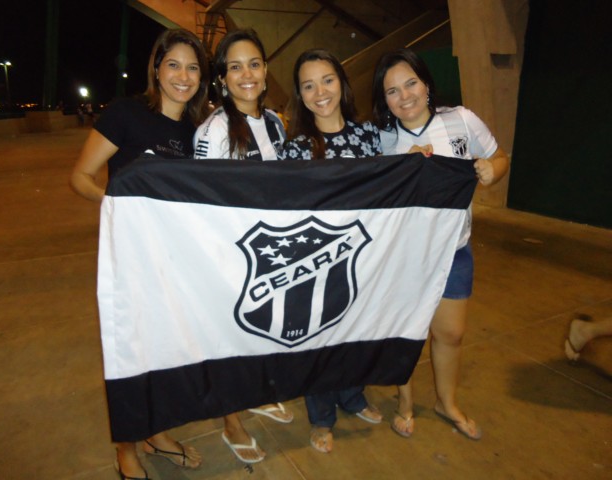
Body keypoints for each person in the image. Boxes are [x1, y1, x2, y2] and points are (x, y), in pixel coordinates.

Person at [69, 28, 209, 479]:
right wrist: (116, 207)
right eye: (173, 65)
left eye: (192, 67)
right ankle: (126, 446)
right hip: (129, 256)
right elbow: (82, 176)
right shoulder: (126, 113)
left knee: (165, 350)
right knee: (130, 352)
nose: (183, 76)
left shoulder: (196, 130)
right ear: (156, 68)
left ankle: (158, 432)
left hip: (174, 260)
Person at [371, 48, 510, 441]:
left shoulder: (461, 121)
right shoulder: (383, 139)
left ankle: (446, 402)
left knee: (450, 334)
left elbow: (500, 158)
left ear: (427, 84)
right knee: (407, 332)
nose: (405, 96)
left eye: (411, 83)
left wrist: (490, 171)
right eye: (392, 91)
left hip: (455, 252)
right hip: (405, 257)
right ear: (385, 101)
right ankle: (405, 402)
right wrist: (404, 168)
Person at [279, 48, 384, 453]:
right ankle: (322, 415)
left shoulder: (369, 136)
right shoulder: (296, 148)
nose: (319, 91)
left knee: (357, 332)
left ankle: (353, 396)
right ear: (300, 95)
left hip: (362, 258)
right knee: (320, 339)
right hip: (317, 264)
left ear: (341, 83)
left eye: (327, 80)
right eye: (308, 85)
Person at [193, 28, 290, 464]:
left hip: (270, 253)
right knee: (228, 340)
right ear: (222, 78)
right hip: (228, 257)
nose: (246, 74)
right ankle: (232, 423)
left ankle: (258, 391)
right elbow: (199, 203)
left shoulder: (275, 123)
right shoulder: (213, 130)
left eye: (254, 64)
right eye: (235, 67)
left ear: (266, 72)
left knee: (262, 331)